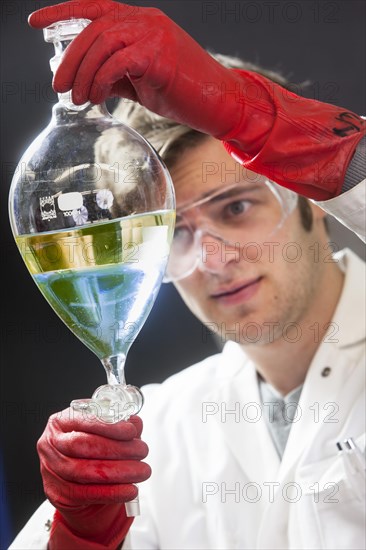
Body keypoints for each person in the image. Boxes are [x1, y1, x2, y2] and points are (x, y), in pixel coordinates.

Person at [10, 1, 365, 549]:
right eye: (174, 233)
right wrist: (80, 536)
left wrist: (252, 114)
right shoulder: (158, 436)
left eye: (237, 208)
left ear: (309, 197)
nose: (213, 259)